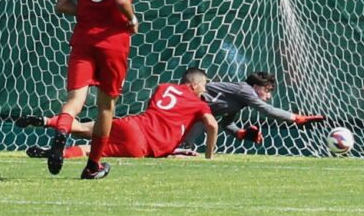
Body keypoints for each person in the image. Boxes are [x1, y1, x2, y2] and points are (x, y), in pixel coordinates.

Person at [51, 0, 143, 179]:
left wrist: (89, 12)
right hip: (112, 44)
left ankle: (61, 132)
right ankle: (93, 166)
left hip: (83, 40)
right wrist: (132, 20)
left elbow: (62, 5)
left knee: (74, 100)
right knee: (106, 107)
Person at [18, 68, 218, 160]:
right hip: (143, 145)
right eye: (204, 85)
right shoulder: (197, 103)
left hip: (133, 124)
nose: (205, 89)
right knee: (89, 148)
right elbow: (212, 125)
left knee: (87, 129)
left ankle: (47, 120)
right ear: (193, 84)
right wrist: (209, 155)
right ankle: (57, 153)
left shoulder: (163, 87)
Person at [181, 71, 325, 148]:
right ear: (255, 86)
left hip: (191, 115)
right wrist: (297, 118)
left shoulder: (239, 100)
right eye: (267, 90)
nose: (268, 96)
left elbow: (227, 123)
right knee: (200, 120)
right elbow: (267, 110)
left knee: (201, 119)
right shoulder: (244, 89)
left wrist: (241, 133)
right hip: (181, 106)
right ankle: (181, 147)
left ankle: (182, 148)